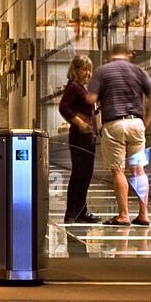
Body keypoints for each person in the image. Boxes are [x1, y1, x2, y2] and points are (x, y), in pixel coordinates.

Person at [87, 45, 151, 226]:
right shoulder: (139, 71)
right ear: (128, 54)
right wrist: (147, 120)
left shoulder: (102, 71)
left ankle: (123, 215)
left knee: (118, 170)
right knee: (138, 170)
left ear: (111, 55)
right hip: (137, 123)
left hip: (114, 124)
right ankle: (143, 214)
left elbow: (90, 99)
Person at [59, 55, 99, 223]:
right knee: (80, 175)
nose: (87, 73)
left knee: (84, 175)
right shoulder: (74, 87)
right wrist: (80, 123)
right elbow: (64, 108)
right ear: (75, 70)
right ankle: (73, 213)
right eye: (84, 69)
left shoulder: (81, 88)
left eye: (89, 69)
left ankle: (81, 211)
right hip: (80, 137)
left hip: (86, 136)